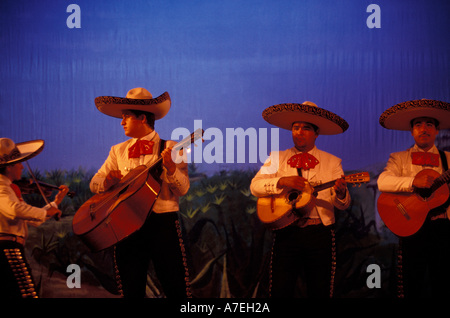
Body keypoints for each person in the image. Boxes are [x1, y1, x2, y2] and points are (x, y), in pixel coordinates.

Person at [89, 87, 191, 298]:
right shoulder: (117, 150)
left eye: (126, 117)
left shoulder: (172, 148)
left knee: (175, 286)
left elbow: (183, 189)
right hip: (126, 225)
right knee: (130, 288)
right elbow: (94, 183)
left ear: (142, 118)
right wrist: (106, 181)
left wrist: (171, 169)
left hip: (162, 224)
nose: (121, 122)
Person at [250, 101, 351, 298]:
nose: (299, 132)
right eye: (295, 128)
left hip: (319, 232)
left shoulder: (332, 162)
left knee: (320, 290)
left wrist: (340, 194)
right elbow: (255, 186)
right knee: (280, 290)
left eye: (305, 128)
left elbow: (343, 204)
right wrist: (281, 181)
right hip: (286, 232)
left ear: (316, 133)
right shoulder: (276, 158)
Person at [377, 99, 450, 298]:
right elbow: (382, 181)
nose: (423, 128)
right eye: (418, 124)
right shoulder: (399, 157)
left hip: (442, 227)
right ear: (412, 132)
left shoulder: (449, 159)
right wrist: (413, 183)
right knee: (412, 283)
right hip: (412, 226)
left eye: (429, 124)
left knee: (443, 282)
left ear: (437, 130)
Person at [0, 138, 68, 298]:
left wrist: (55, 202)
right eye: (19, 163)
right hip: (7, 248)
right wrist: (45, 212)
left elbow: (32, 220)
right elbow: (13, 209)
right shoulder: (2, 187)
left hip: (11, 247)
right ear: (9, 166)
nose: (22, 166)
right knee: (27, 293)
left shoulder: (9, 188)